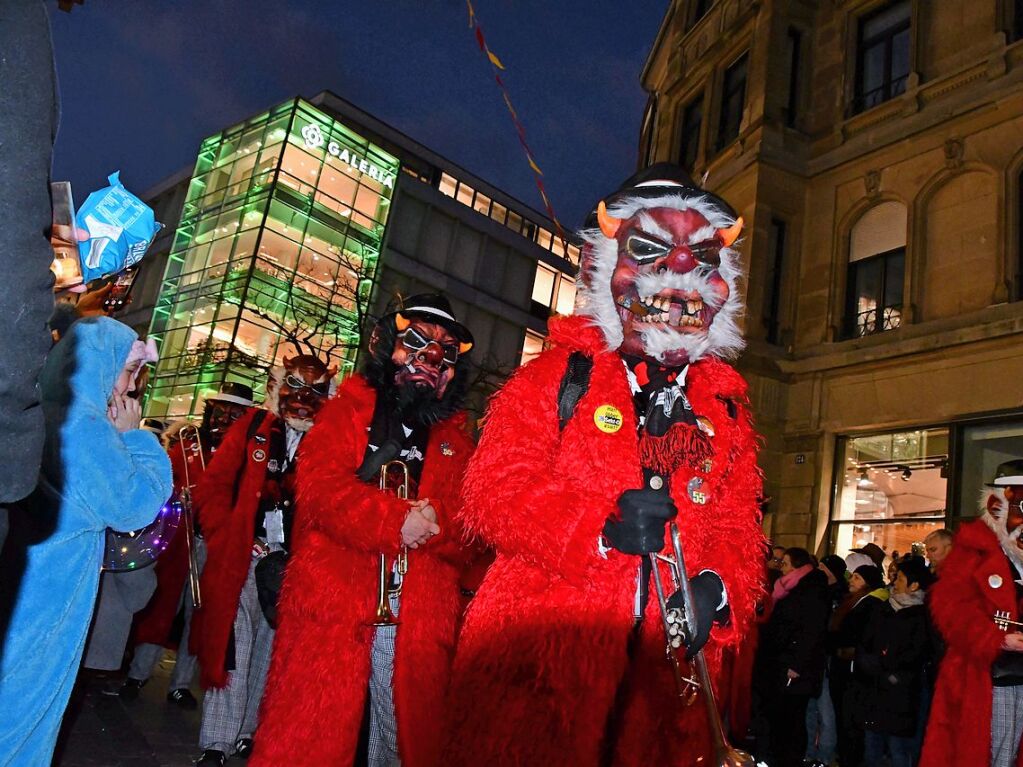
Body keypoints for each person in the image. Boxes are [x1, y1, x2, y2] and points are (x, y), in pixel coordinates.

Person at [441, 164, 765, 765]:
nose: (681, 271)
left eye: (702, 257)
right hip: (540, 670)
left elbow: (738, 528)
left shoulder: (725, 411)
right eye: (648, 250)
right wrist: (597, 527)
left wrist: (715, 589)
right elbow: (492, 491)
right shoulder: (558, 377)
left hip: (664, 691)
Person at [250, 294, 477, 767]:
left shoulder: (458, 440)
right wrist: (397, 521)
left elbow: (473, 524)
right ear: (390, 345)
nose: (431, 357)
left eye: (445, 351)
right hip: (336, 600)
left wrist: (435, 525)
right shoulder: (347, 411)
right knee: (315, 731)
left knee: (399, 737)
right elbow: (319, 490)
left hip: (417, 612)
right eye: (416, 341)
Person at [0, 317, 172, 765]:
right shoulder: (86, 429)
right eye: (129, 371)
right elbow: (135, 505)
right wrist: (139, 440)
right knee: (27, 704)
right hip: (54, 593)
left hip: (21, 575)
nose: (134, 386)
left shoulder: (41, 409)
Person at [189, 358, 334, 767]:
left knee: (271, 653)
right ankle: (216, 741)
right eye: (294, 386)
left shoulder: (330, 442)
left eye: (316, 391)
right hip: (244, 560)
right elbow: (213, 487)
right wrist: (226, 536)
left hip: (292, 567)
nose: (304, 400)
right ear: (277, 386)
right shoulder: (252, 427)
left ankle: (248, 733)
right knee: (235, 645)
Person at [121, 383, 255, 708]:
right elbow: (165, 478)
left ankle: (180, 684)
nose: (223, 419)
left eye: (232, 414)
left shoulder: (246, 453)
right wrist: (178, 495)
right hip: (179, 538)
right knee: (162, 604)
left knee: (200, 614)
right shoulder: (188, 444)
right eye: (220, 411)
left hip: (215, 543)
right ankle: (138, 674)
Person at [920, 460, 1023, 767]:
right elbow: (951, 609)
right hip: (989, 678)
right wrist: (997, 639)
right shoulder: (974, 551)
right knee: (992, 754)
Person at [753, 547, 830, 767]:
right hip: (780, 664)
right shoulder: (788, 587)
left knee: (792, 720)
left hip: (795, 670)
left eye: (785, 563)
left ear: (797, 566)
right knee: (779, 717)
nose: (781, 567)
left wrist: (796, 665)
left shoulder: (811, 590)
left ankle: (788, 760)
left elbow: (811, 631)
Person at [855, 556, 935, 767]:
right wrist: (871, 664)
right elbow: (866, 641)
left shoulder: (921, 616)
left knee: (898, 749)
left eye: (900, 578)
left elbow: (917, 652)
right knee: (871, 747)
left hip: (901, 691)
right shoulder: (883, 608)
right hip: (875, 687)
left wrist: (892, 671)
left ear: (914, 585)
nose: (894, 582)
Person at [831, 563, 888, 767]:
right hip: (843, 665)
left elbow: (864, 635)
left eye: (857, 578)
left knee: (851, 719)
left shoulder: (871, 604)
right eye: (852, 577)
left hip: (853, 668)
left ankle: (851, 759)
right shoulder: (852, 601)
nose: (851, 581)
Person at [804, 553, 848, 767]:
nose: (819, 570)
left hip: (828, 661)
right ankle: (810, 752)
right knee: (811, 707)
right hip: (816, 658)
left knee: (825, 710)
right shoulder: (820, 592)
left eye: (823, 567)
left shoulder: (839, 597)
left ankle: (824, 755)